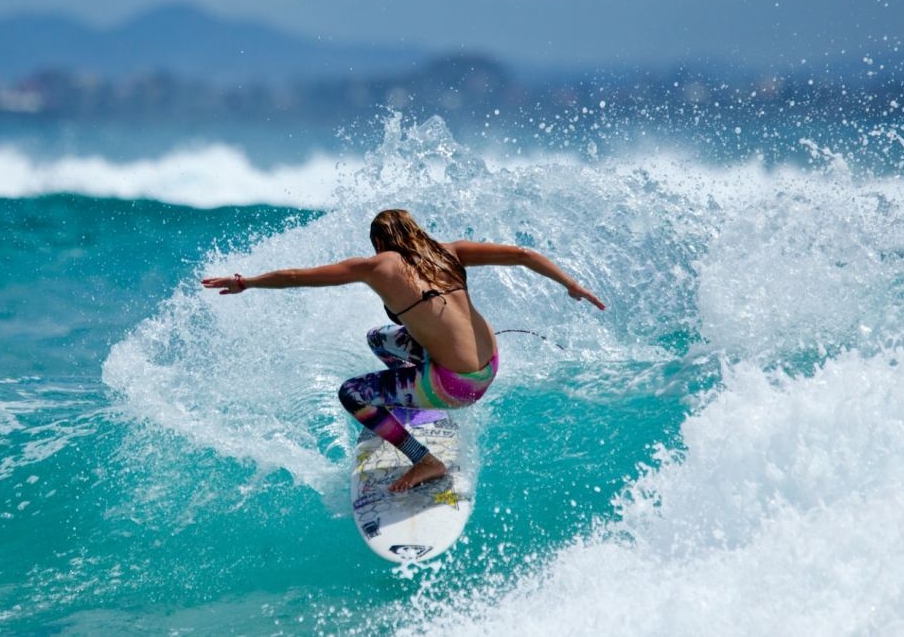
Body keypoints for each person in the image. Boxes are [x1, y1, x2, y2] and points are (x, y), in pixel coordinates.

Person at [202, 209, 605, 492]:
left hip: (457, 385)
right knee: (379, 338)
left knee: (352, 394)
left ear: (380, 242)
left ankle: (425, 460)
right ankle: (415, 401)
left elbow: (295, 277)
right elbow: (522, 254)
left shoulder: (377, 266)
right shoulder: (449, 251)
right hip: (489, 366)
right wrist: (571, 285)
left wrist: (246, 282)